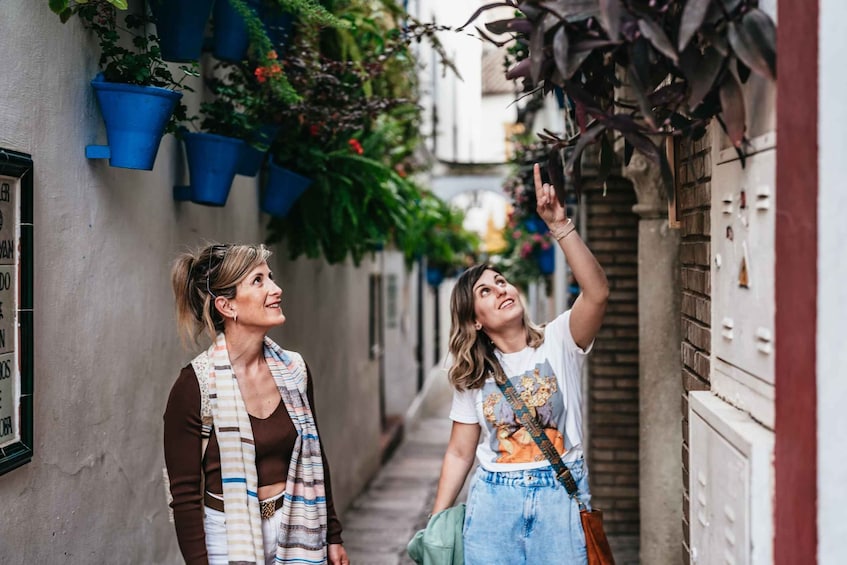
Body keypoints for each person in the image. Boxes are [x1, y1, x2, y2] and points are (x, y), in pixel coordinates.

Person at [430, 164, 609, 564]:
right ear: (475, 320)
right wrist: (437, 524)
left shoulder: (560, 339)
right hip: (495, 503)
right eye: (486, 291)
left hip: (559, 499)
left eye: (502, 282)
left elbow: (597, 293)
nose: (501, 290)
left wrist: (559, 225)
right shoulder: (473, 375)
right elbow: (460, 453)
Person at [164, 243, 349, 565]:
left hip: (297, 524)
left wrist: (333, 536)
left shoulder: (295, 370)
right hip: (226, 535)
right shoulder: (195, 385)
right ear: (227, 306)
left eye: (271, 277)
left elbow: (315, 455)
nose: (276, 289)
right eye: (258, 281)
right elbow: (184, 495)